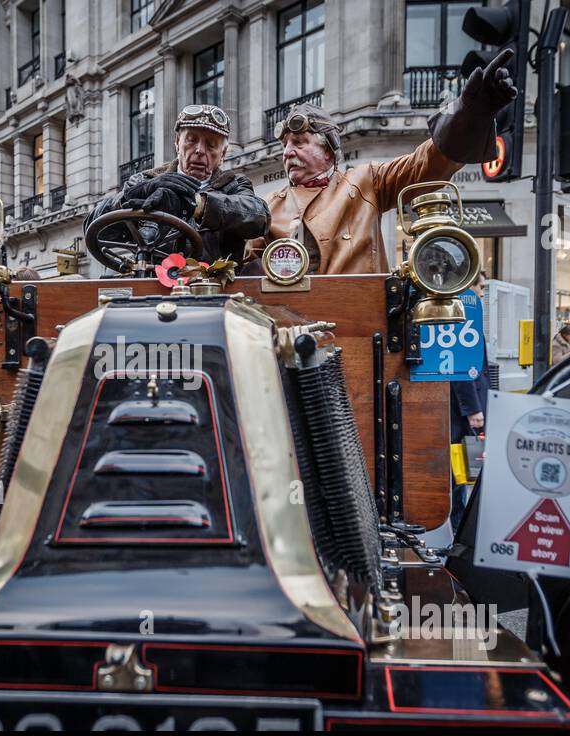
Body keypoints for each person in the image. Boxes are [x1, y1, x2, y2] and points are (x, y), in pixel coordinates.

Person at [246, 49, 518, 274]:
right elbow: (243, 264)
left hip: (362, 326)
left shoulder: (365, 181)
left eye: (299, 143)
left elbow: (423, 165)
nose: (287, 152)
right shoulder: (269, 206)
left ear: (328, 152)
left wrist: (469, 115)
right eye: (284, 145)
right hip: (289, 330)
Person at [85, 104, 269, 269]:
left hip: (215, 291)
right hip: (152, 289)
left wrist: (197, 205)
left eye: (211, 145)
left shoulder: (234, 185)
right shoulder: (145, 180)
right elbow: (94, 227)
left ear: (223, 154)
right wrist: (127, 199)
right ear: (177, 143)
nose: (199, 150)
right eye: (191, 140)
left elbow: (259, 218)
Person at [450, 275, 491, 529]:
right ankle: (457, 520)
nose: (483, 293)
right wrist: (473, 408)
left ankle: (459, 517)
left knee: (463, 467)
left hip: (467, 406)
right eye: (481, 287)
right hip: (462, 410)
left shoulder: (468, 317)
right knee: (459, 466)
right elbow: (462, 367)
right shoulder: (461, 318)